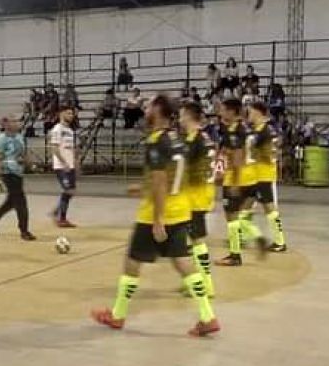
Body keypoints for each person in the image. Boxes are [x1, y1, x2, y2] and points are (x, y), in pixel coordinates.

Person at [91, 95, 220, 337]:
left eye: (149, 105)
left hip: (155, 215)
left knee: (132, 261)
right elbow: (173, 178)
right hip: (180, 210)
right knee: (182, 262)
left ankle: (118, 315)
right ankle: (207, 316)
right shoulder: (178, 140)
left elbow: (161, 181)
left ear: (158, 110)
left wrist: (158, 218)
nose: (145, 109)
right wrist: (144, 188)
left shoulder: (155, 141)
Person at [216, 98, 266, 266]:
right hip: (252, 176)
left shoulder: (234, 130)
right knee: (241, 216)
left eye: (223, 110)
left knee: (231, 217)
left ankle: (235, 255)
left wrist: (234, 183)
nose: (220, 113)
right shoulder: (247, 129)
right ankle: (256, 236)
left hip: (237, 178)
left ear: (231, 112)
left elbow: (237, 157)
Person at [179, 101, 217, 298]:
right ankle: (195, 279)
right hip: (203, 193)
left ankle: (206, 284)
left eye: (181, 115)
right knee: (192, 239)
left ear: (188, 116)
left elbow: (182, 169)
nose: (179, 119)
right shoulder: (205, 137)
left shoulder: (195, 141)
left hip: (195, 196)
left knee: (197, 239)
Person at [247, 102, 288, 252]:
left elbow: (272, 154)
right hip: (255, 175)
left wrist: (258, 154)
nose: (248, 114)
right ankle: (244, 236)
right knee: (246, 206)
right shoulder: (257, 130)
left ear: (258, 113)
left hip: (264, 175)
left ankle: (279, 241)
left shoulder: (267, 130)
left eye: (250, 112)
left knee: (269, 207)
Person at [0, 117, 36, 240]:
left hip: (18, 172)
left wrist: (31, 164)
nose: (16, 123)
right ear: (5, 124)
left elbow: (23, 153)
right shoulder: (1, 139)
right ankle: (24, 230)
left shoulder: (19, 137)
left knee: (11, 201)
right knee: (20, 201)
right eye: (12, 121)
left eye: (16, 121)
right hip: (7, 172)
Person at [49, 106, 78, 228]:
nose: (71, 115)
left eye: (72, 113)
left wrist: (75, 162)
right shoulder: (57, 129)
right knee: (68, 190)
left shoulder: (70, 131)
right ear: (61, 114)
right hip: (61, 166)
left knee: (71, 191)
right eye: (69, 113)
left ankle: (57, 212)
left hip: (70, 165)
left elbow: (71, 148)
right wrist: (63, 162)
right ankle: (61, 218)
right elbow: (54, 148)